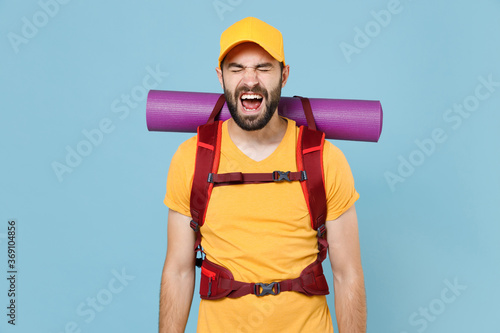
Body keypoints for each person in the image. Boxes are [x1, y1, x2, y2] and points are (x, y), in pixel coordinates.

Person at [159, 17, 366, 333]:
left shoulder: (324, 159)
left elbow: (347, 273)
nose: (250, 80)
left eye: (264, 68)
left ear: (284, 75)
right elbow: (178, 271)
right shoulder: (192, 158)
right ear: (221, 76)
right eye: (237, 68)